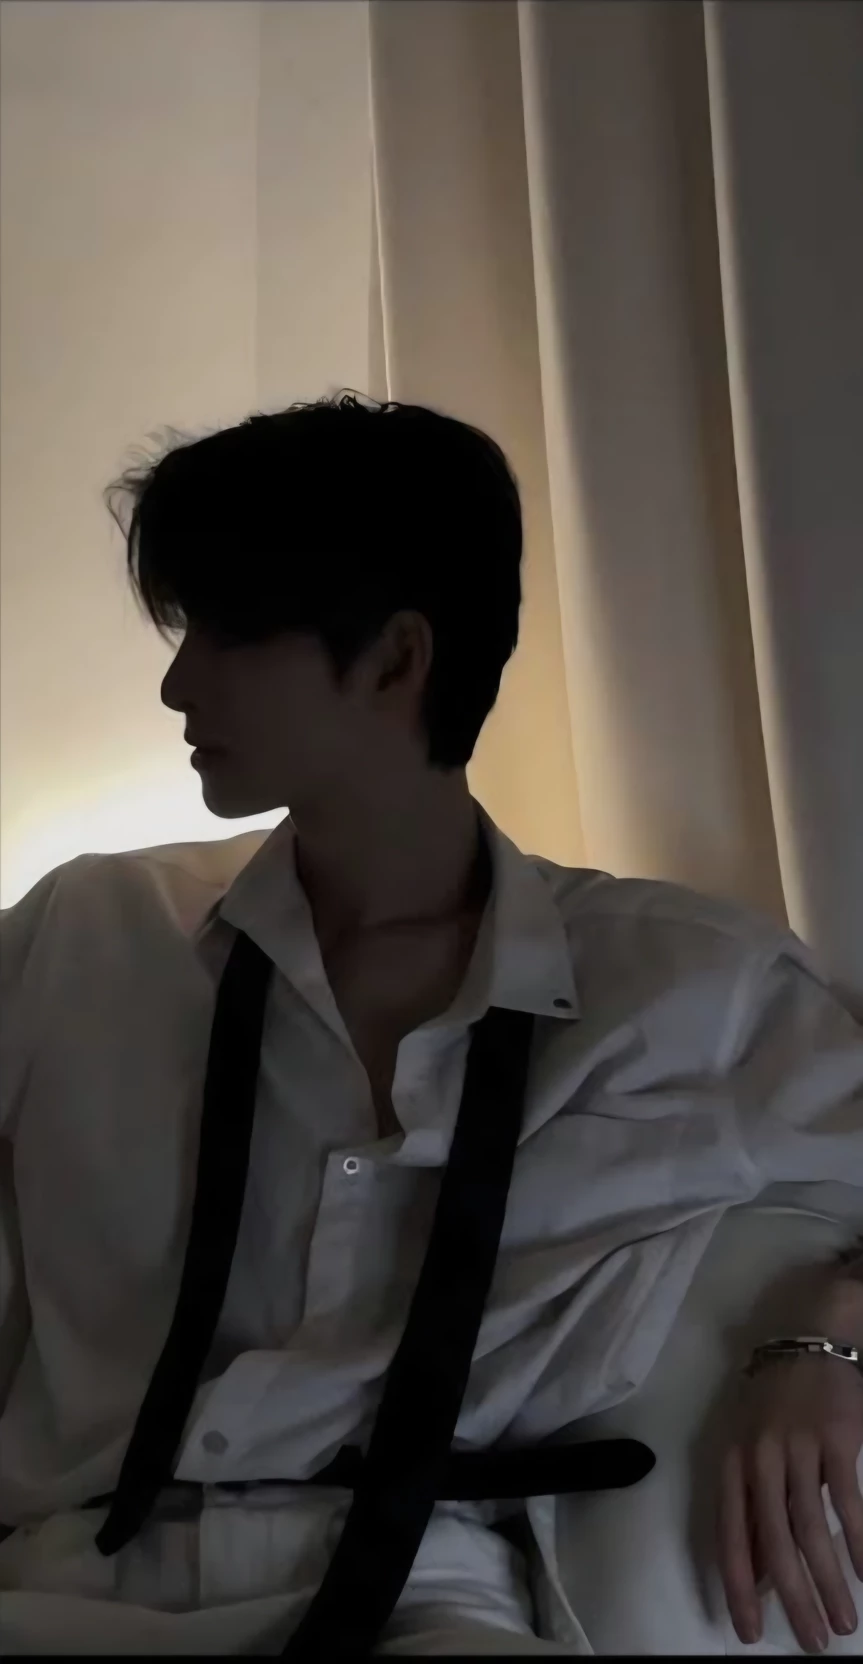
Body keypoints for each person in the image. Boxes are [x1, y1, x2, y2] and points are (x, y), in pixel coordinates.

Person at [0, 392, 861, 1657]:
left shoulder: (688, 987)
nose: (178, 682)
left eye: (226, 632)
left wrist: (822, 1338)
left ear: (397, 661)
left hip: (423, 1602)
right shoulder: (85, 935)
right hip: (63, 1585)